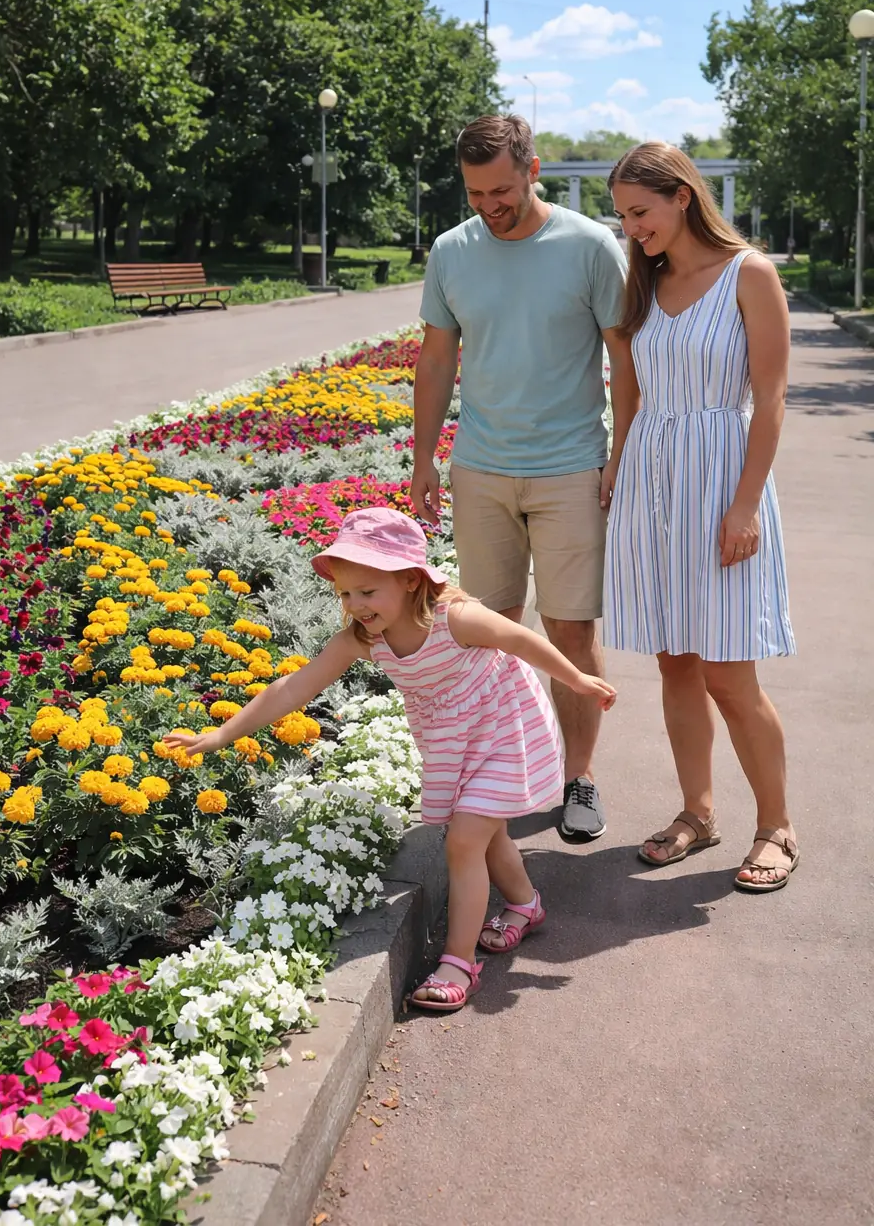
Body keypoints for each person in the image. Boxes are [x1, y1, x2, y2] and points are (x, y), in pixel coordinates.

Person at [165, 507, 616, 1010]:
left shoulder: (455, 618)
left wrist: (577, 680)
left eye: (367, 591)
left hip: (504, 729)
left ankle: (458, 964)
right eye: (346, 593)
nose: (356, 604)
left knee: (466, 840)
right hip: (451, 736)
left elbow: (522, 640)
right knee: (485, 837)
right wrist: (221, 733)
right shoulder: (363, 640)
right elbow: (292, 688)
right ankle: (525, 907)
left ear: (408, 580)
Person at [410, 114, 634, 844]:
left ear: (532, 169)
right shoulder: (452, 251)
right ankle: (502, 775)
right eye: (475, 193)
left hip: (570, 468)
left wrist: (620, 455)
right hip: (481, 468)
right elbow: (438, 360)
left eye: (501, 189)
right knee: (486, 631)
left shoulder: (589, 246)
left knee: (571, 629)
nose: (489, 205)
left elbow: (624, 361)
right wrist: (423, 459)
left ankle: (578, 779)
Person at [604, 142, 798, 892]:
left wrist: (746, 502)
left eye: (641, 212)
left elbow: (771, 399)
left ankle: (777, 826)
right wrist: (620, 462)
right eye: (622, 216)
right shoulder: (645, 280)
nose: (632, 228)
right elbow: (635, 391)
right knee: (675, 662)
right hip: (654, 484)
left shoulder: (749, 273)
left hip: (722, 482)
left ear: (683, 196)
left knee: (728, 673)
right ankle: (698, 812)